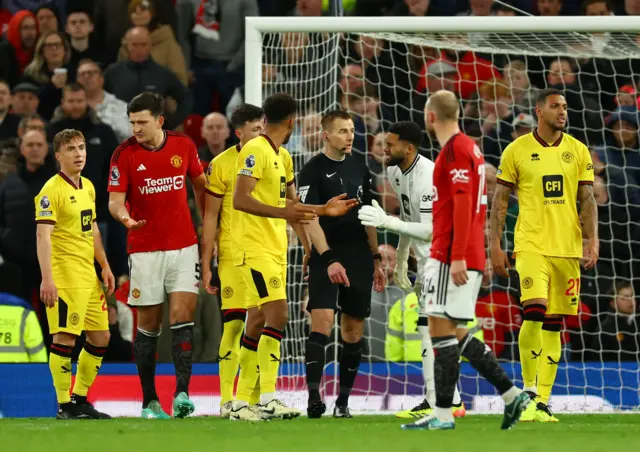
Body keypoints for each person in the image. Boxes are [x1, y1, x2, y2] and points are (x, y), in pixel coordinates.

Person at [402, 90, 530, 431]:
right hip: (460, 252)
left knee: (440, 331)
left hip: (451, 254)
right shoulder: (470, 147)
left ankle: (445, 414)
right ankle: (509, 395)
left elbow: (460, 203)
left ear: (431, 116)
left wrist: (456, 256)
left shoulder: (456, 150)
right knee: (453, 332)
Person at [230, 93, 355, 421]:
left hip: (275, 249)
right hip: (252, 247)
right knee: (278, 315)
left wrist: (317, 223)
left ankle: (242, 401)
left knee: (257, 319)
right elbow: (240, 200)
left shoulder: (283, 156)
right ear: (292, 121)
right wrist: (280, 211)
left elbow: (293, 206)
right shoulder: (254, 149)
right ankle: (267, 397)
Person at [490, 88, 599, 423]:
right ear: (539, 111)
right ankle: (528, 392)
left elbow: (588, 199)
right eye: (555, 107)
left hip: (567, 248)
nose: (562, 112)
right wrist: (495, 244)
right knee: (533, 312)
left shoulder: (578, 150)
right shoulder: (516, 150)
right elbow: (500, 201)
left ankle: (543, 401)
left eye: (565, 107)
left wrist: (592, 239)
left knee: (554, 323)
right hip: (530, 245)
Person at [107, 92, 206, 419]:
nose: (135, 127)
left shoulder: (183, 146)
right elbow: (115, 201)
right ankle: (149, 401)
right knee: (149, 325)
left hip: (183, 246)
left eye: (142, 122)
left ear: (159, 121)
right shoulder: (124, 154)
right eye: (132, 121)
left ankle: (182, 394)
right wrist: (125, 218)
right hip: (144, 250)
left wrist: (207, 225)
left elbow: (201, 186)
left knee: (182, 317)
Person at [358, 121, 465, 420]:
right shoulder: (394, 172)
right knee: (430, 328)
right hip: (427, 259)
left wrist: (387, 223)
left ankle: (441, 401)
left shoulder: (428, 177)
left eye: (390, 144)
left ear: (409, 148)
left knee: (434, 330)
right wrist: (403, 256)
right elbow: (408, 215)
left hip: (445, 257)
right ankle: (447, 400)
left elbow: (431, 230)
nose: (384, 148)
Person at [299, 109, 386, 419]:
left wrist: (376, 257)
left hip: (358, 255)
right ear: (326, 135)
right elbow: (308, 216)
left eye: (351, 130)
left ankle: (343, 403)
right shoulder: (312, 170)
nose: (349, 136)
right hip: (326, 252)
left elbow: (369, 215)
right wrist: (328, 258)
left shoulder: (360, 167)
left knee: (352, 329)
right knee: (321, 320)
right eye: (342, 131)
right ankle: (313, 398)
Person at [35, 128, 116, 419]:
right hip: (64, 275)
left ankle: (81, 399)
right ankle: (64, 404)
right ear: (58, 155)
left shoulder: (89, 187)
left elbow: (91, 228)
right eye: (71, 149)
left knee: (101, 337)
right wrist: (47, 278)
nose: (78, 153)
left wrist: (104, 265)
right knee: (65, 338)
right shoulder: (50, 191)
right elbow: (43, 237)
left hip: (88, 275)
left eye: (81, 147)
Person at [201, 104, 265, 418]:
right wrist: (207, 259)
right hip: (232, 255)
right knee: (236, 323)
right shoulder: (220, 164)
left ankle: (253, 397)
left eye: (263, 128)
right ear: (238, 133)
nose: (261, 134)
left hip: (266, 254)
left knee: (262, 323)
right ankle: (227, 399)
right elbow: (211, 214)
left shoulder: (274, 158)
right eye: (255, 129)